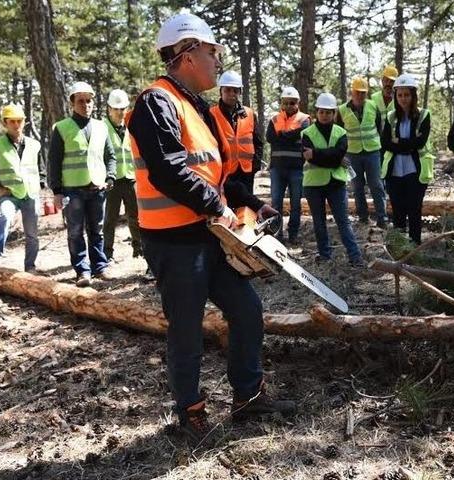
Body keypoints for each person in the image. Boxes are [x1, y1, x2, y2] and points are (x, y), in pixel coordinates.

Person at [126, 12, 291, 444]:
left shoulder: (197, 107)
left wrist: (252, 203)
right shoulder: (155, 102)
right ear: (186, 53)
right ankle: (190, 412)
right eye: (211, 51)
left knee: (247, 309)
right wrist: (218, 207)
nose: (218, 61)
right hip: (174, 242)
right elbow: (168, 172)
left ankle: (248, 395)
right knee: (186, 329)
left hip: (207, 237)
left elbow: (216, 174)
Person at [48, 81, 117, 287]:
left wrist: (110, 177)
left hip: (97, 188)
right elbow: (54, 160)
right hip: (73, 190)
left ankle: (100, 267)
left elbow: (110, 156)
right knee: (75, 232)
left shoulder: (101, 127)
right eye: (80, 101)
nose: (85, 105)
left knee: (97, 230)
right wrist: (57, 190)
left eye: (88, 101)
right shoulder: (62, 128)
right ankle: (82, 271)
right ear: (72, 103)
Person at [0, 104, 44, 274]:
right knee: (4, 217)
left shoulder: (34, 144)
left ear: (24, 122)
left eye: (19, 121)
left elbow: (41, 168)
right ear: (5, 123)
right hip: (9, 194)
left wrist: (41, 185)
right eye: (12, 121)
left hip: (30, 194)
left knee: (32, 234)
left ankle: (30, 266)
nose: (16, 125)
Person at [302, 92, 364, 265]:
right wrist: (333, 159)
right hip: (313, 185)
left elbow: (339, 153)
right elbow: (311, 156)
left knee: (343, 221)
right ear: (316, 112)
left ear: (334, 113)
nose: (324, 115)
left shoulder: (341, 132)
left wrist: (317, 154)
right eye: (321, 112)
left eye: (328, 112)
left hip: (336, 183)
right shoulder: (307, 133)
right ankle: (325, 255)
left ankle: (355, 256)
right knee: (319, 222)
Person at [381, 74, 435, 245]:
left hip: (415, 170)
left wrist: (399, 142)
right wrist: (406, 144)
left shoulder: (423, 115)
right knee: (397, 210)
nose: (403, 99)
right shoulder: (390, 117)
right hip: (394, 170)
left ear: (413, 96)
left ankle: (414, 245)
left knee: (414, 210)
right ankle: (399, 246)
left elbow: (420, 142)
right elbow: (385, 143)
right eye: (400, 95)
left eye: (407, 95)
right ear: (396, 96)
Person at [337, 77, 387, 227]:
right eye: (357, 92)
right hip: (352, 154)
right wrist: (342, 154)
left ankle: (382, 217)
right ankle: (363, 217)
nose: (360, 95)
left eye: (363, 93)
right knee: (357, 186)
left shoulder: (373, 106)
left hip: (372, 151)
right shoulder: (341, 110)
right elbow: (339, 133)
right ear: (352, 92)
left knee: (376, 185)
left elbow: (379, 127)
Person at [102, 88, 141, 264]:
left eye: (122, 108)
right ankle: (107, 253)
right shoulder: (101, 127)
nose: (119, 112)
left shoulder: (132, 126)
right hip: (111, 180)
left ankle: (138, 249)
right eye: (116, 108)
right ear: (109, 108)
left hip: (131, 178)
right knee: (110, 218)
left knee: (135, 216)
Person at [266, 86, 309, 244]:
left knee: (296, 204)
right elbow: (270, 137)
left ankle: (293, 234)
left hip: (296, 169)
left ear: (298, 103)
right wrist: (289, 136)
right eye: (286, 103)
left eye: (292, 103)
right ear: (281, 103)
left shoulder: (304, 119)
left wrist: (282, 135)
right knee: (276, 203)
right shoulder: (274, 119)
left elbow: (302, 134)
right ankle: (277, 234)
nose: (289, 106)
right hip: (277, 168)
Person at [209, 70, 264, 195]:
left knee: (247, 208)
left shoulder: (249, 114)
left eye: (235, 90)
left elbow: (258, 142)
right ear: (221, 91)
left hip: (246, 171)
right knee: (225, 208)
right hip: (223, 172)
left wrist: (256, 165)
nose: (232, 94)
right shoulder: (212, 114)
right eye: (228, 90)